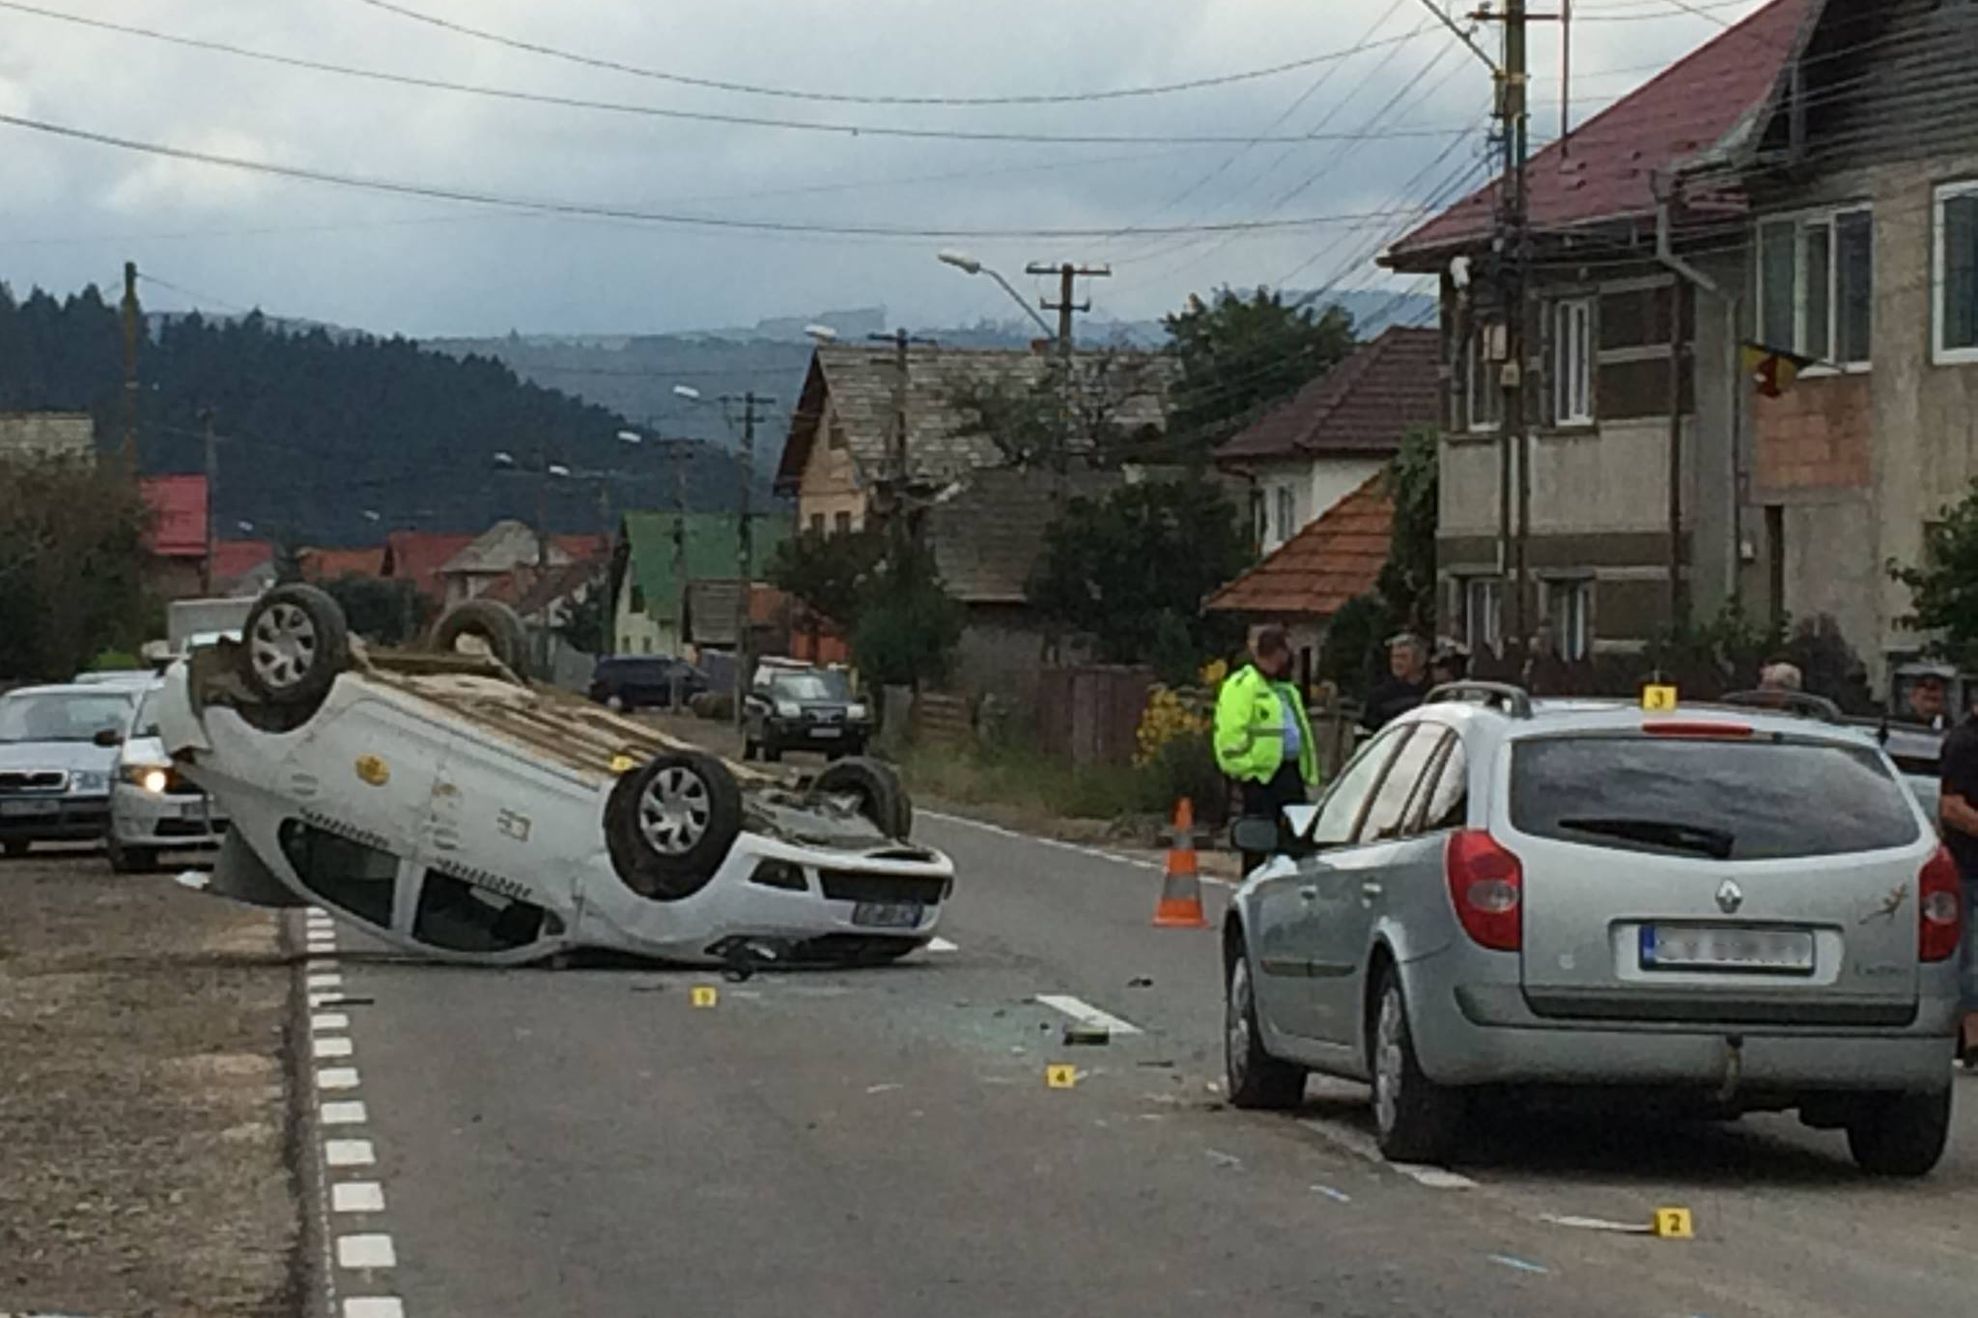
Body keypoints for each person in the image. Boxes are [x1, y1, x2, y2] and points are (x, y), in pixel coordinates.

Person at [1215, 626, 1318, 872]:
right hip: (1261, 777)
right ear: (1276, 653)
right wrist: (1245, 770)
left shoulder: (1283, 688)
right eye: (1285, 653)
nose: (1289, 660)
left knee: (1295, 842)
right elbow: (1230, 734)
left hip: (1289, 773)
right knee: (1258, 843)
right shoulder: (1243, 685)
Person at [1935, 684, 1978, 1063]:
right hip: (1968, 868)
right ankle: (1972, 1038)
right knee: (1970, 958)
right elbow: (1950, 807)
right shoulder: (1964, 743)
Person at [1362, 632, 1431, 732]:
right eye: (1394, 657)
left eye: (1403, 657)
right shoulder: (1380, 694)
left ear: (1420, 660)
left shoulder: (1434, 691)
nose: (1397, 662)